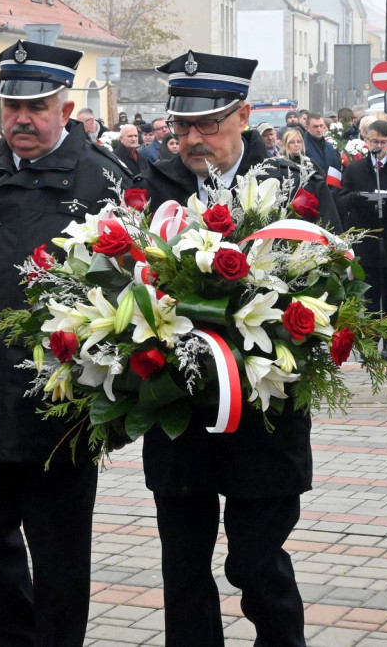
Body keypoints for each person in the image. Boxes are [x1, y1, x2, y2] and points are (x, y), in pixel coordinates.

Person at [0, 40, 131, 647]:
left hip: (58, 407)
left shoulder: (102, 183)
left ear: (66, 108)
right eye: (12, 105)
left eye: (37, 106)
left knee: (61, 559)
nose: (22, 119)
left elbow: (133, 298)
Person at [132, 49, 339, 647]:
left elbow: (331, 278)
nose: (193, 139)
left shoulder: (291, 184)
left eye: (208, 124)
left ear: (243, 115)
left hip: (265, 413)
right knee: (184, 570)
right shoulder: (152, 183)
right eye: (181, 126)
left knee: (255, 562)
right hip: (180, 412)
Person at [336, 119, 387, 360]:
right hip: (367, 240)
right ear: (366, 141)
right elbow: (341, 201)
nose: (379, 146)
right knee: (370, 297)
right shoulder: (354, 169)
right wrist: (357, 197)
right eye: (374, 141)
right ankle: (371, 342)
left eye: (383, 142)